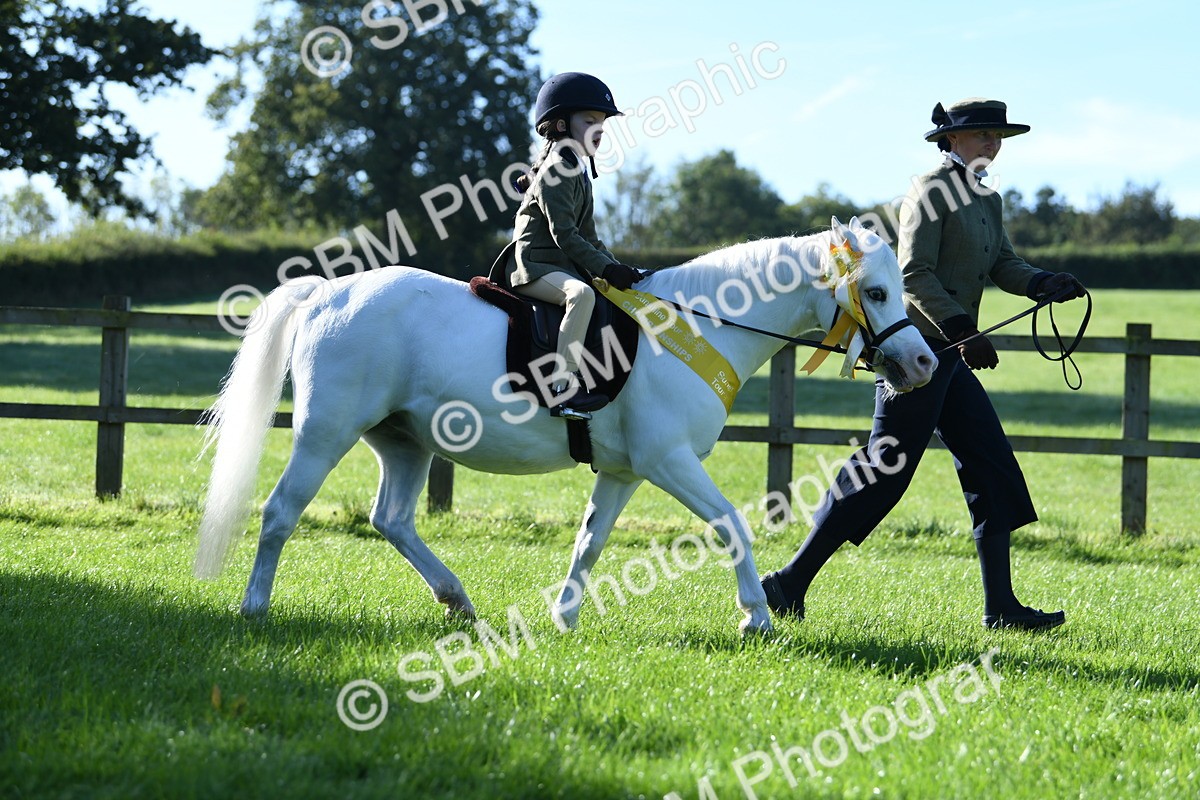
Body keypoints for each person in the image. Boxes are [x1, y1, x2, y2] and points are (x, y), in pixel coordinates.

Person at [760, 98, 1087, 630]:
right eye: (981, 134)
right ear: (951, 140)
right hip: (917, 354)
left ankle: (1001, 608)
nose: (991, 143)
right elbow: (914, 274)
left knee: (990, 464)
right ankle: (787, 582)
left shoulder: (987, 196)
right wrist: (962, 329)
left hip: (951, 356)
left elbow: (1002, 261)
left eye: (996, 134)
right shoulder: (931, 190)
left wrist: (1042, 282)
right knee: (884, 468)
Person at [489, 72, 642, 414]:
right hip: (534, 267)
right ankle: (562, 386)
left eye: (602, 123)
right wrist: (604, 268)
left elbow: (589, 237)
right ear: (560, 125)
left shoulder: (577, 169)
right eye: (589, 121)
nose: (599, 130)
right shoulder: (558, 169)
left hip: (559, 265)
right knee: (582, 294)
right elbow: (566, 235)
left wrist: (619, 269)